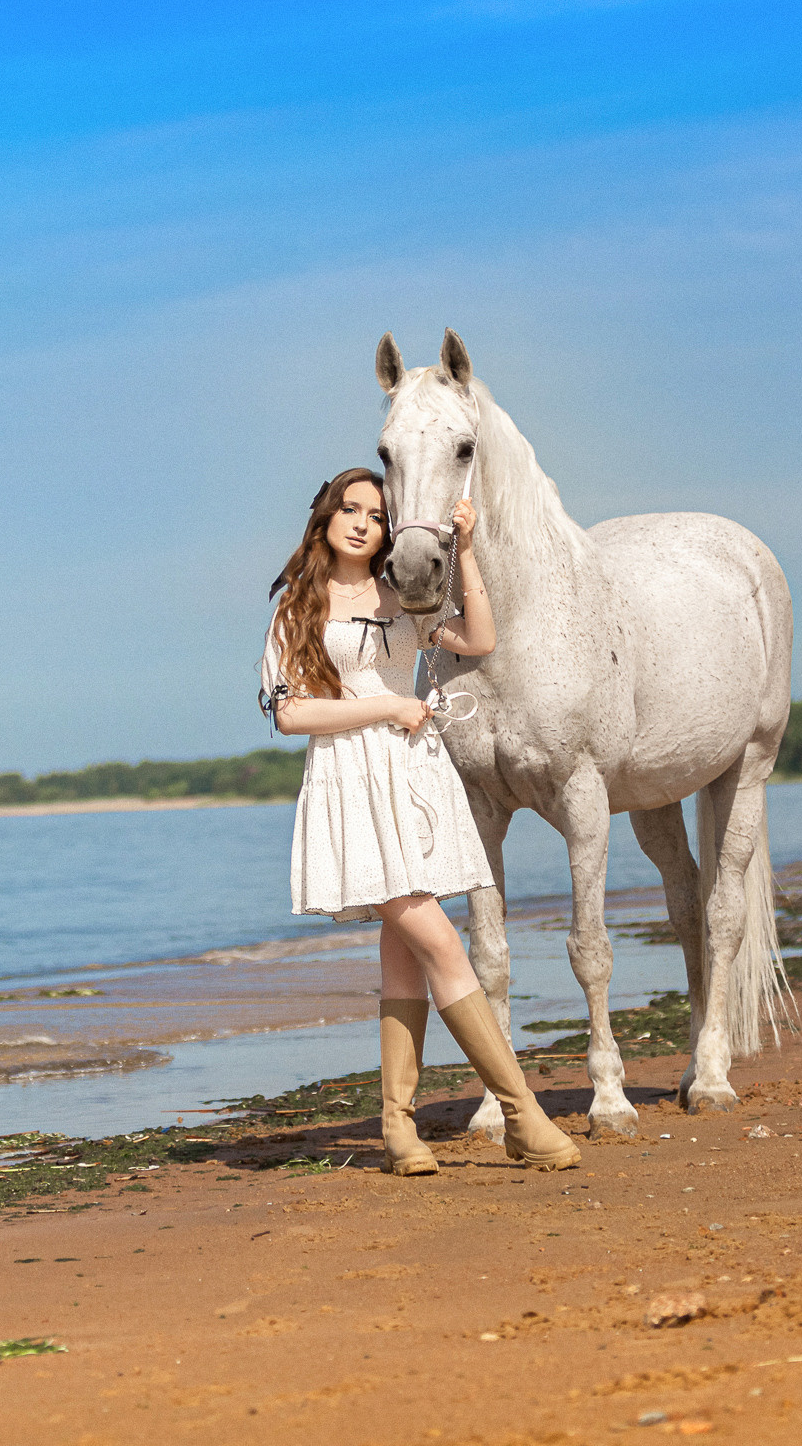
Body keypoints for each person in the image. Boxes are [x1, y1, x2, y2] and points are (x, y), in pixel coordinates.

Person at [258, 467, 580, 1175]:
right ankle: (523, 1115)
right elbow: (291, 713)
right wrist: (389, 706)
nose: (362, 523)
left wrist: (465, 550)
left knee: (404, 952)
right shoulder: (298, 607)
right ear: (325, 518)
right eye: (350, 509)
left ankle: (398, 1127)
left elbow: (480, 638)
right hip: (351, 781)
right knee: (442, 943)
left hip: (414, 778)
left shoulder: (402, 596)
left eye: (376, 515)